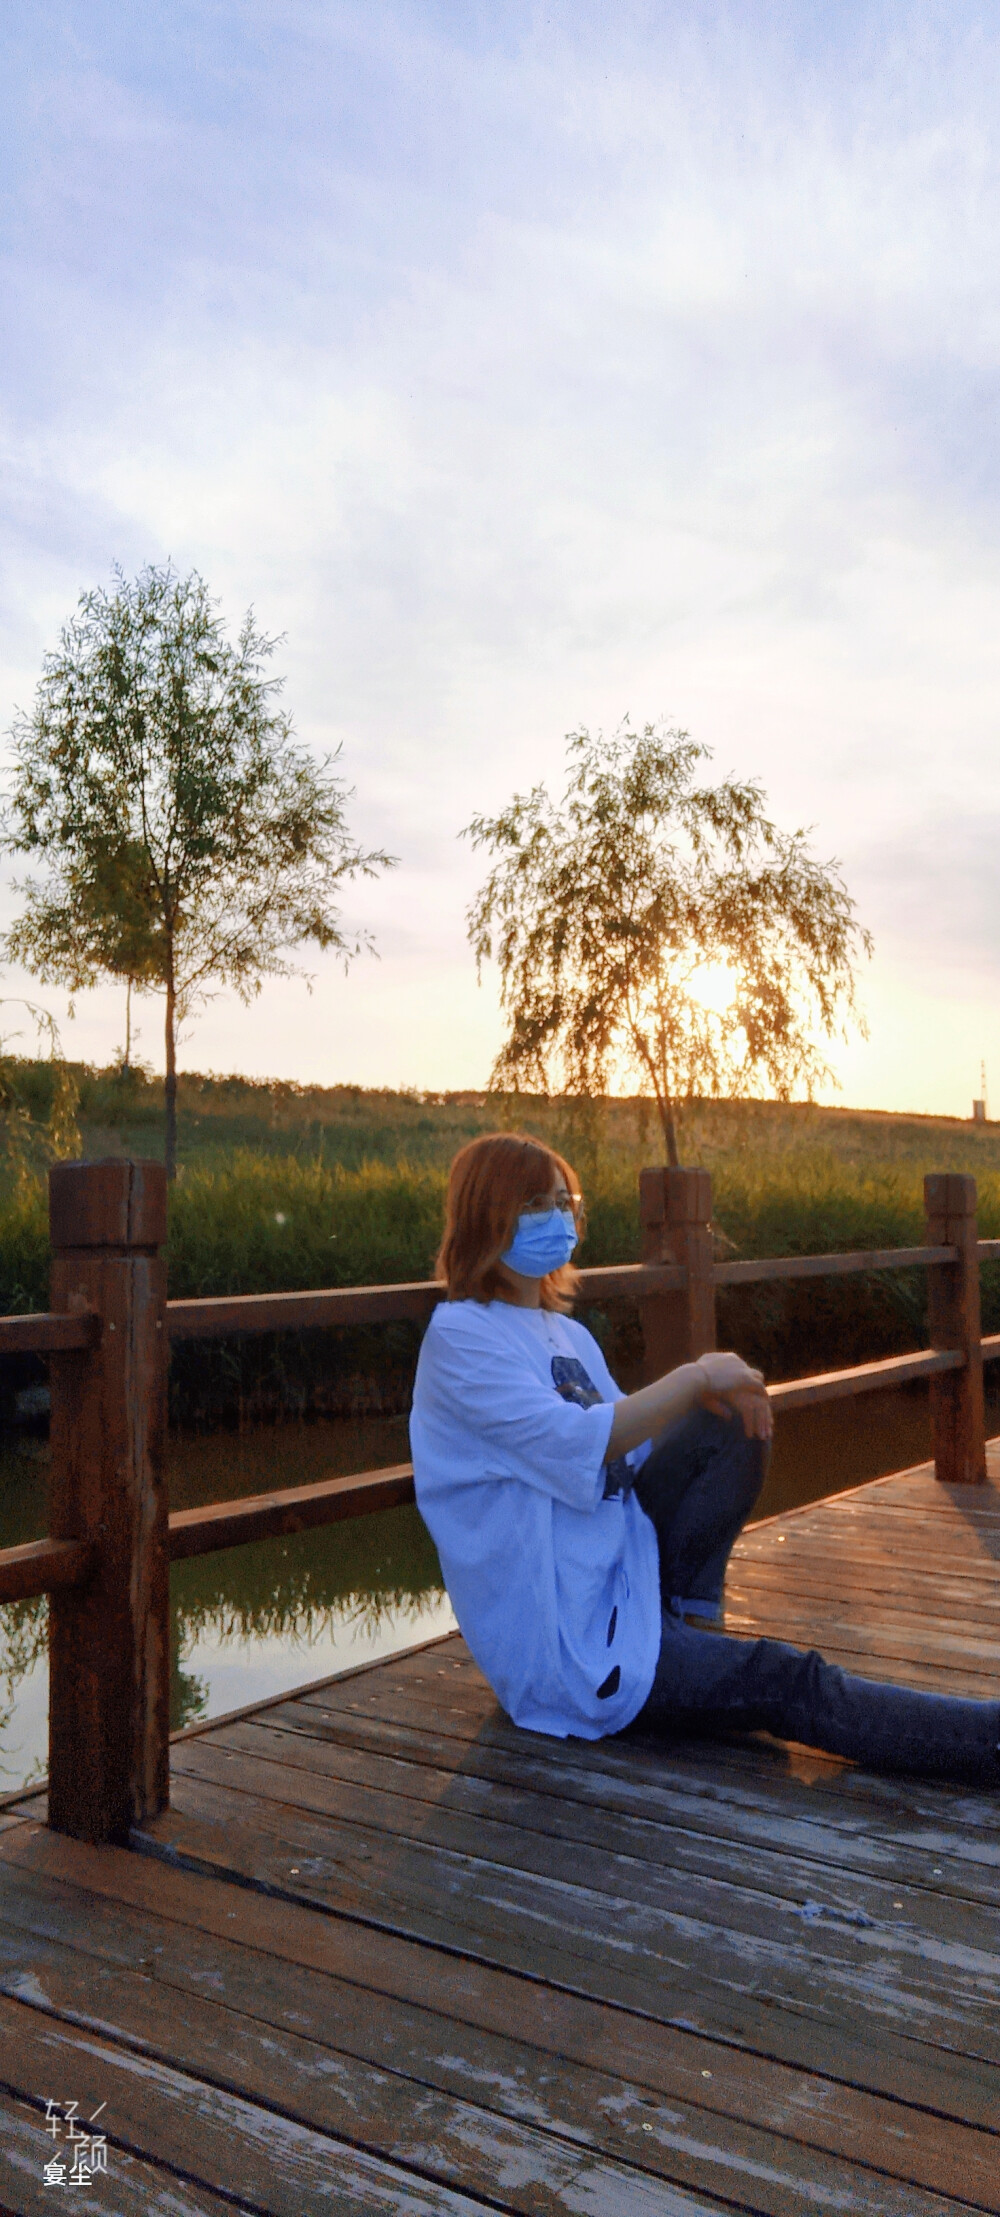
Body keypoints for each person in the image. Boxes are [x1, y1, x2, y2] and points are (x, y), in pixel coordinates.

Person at [411, 1132, 1000, 1785]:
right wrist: (695, 1376)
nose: (557, 1219)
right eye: (533, 1204)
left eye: (562, 1201)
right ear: (486, 1215)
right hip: (574, 1651)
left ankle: (692, 1611)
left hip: (625, 1579)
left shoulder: (565, 1333)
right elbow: (582, 1442)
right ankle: (987, 1740)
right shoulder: (461, 1338)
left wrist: (711, 1393)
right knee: (789, 1680)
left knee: (728, 1420)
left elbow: (630, 1451)